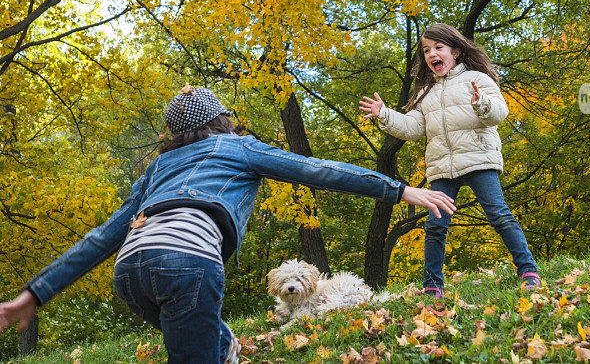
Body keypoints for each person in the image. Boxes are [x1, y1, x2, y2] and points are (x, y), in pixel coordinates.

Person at [0, 85, 455, 363]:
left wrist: (35, 293)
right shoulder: (238, 147)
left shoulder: (158, 169)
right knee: (196, 338)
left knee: (197, 335)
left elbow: (102, 236)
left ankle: (223, 346)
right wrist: (398, 190)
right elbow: (319, 170)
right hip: (188, 262)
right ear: (222, 120)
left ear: (175, 134)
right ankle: (220, 348)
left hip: (130, 271)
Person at [359, 23, 540, 298]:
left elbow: (498, 113)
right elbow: (413, 127)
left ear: (455, 51)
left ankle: (528, 271)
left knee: (499, 215)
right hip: (442, 166)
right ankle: (432, 286)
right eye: (426, 50)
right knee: (435, 226)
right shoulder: (426, 92)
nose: (432, 54)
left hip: (478, 158)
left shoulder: (477, 79)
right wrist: (385, 114)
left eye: (438, 48)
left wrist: (482, 104)